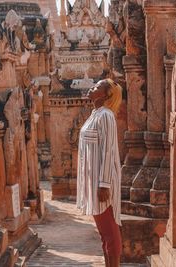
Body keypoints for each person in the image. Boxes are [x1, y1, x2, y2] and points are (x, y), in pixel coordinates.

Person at [77, 78, 123, 267]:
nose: (92, 87)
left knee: (111, 233)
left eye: (97, 86)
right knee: (104, 233)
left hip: (102, 183)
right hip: (94, 181)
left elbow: (108, 150)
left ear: (106, 95)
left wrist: (104, 184)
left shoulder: (106, 116)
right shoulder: (95, 114)